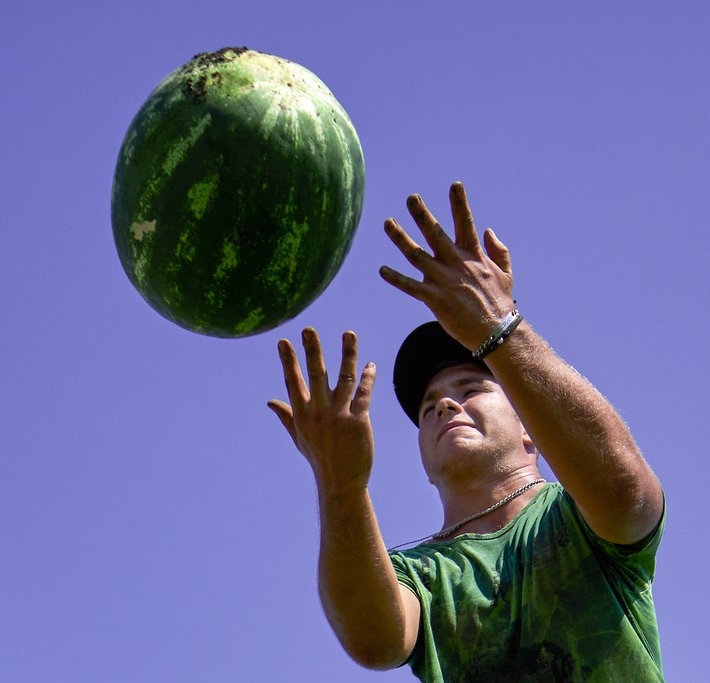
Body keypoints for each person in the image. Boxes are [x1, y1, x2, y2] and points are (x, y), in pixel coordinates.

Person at [268, 182, 666, 681]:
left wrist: (499, 328)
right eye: (429, 403)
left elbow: (627, 496)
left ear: (531, 428)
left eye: (471, 387)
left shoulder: (575, 518)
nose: (444, 404)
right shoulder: (422, 575)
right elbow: (374, 641)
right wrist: (339, 483)